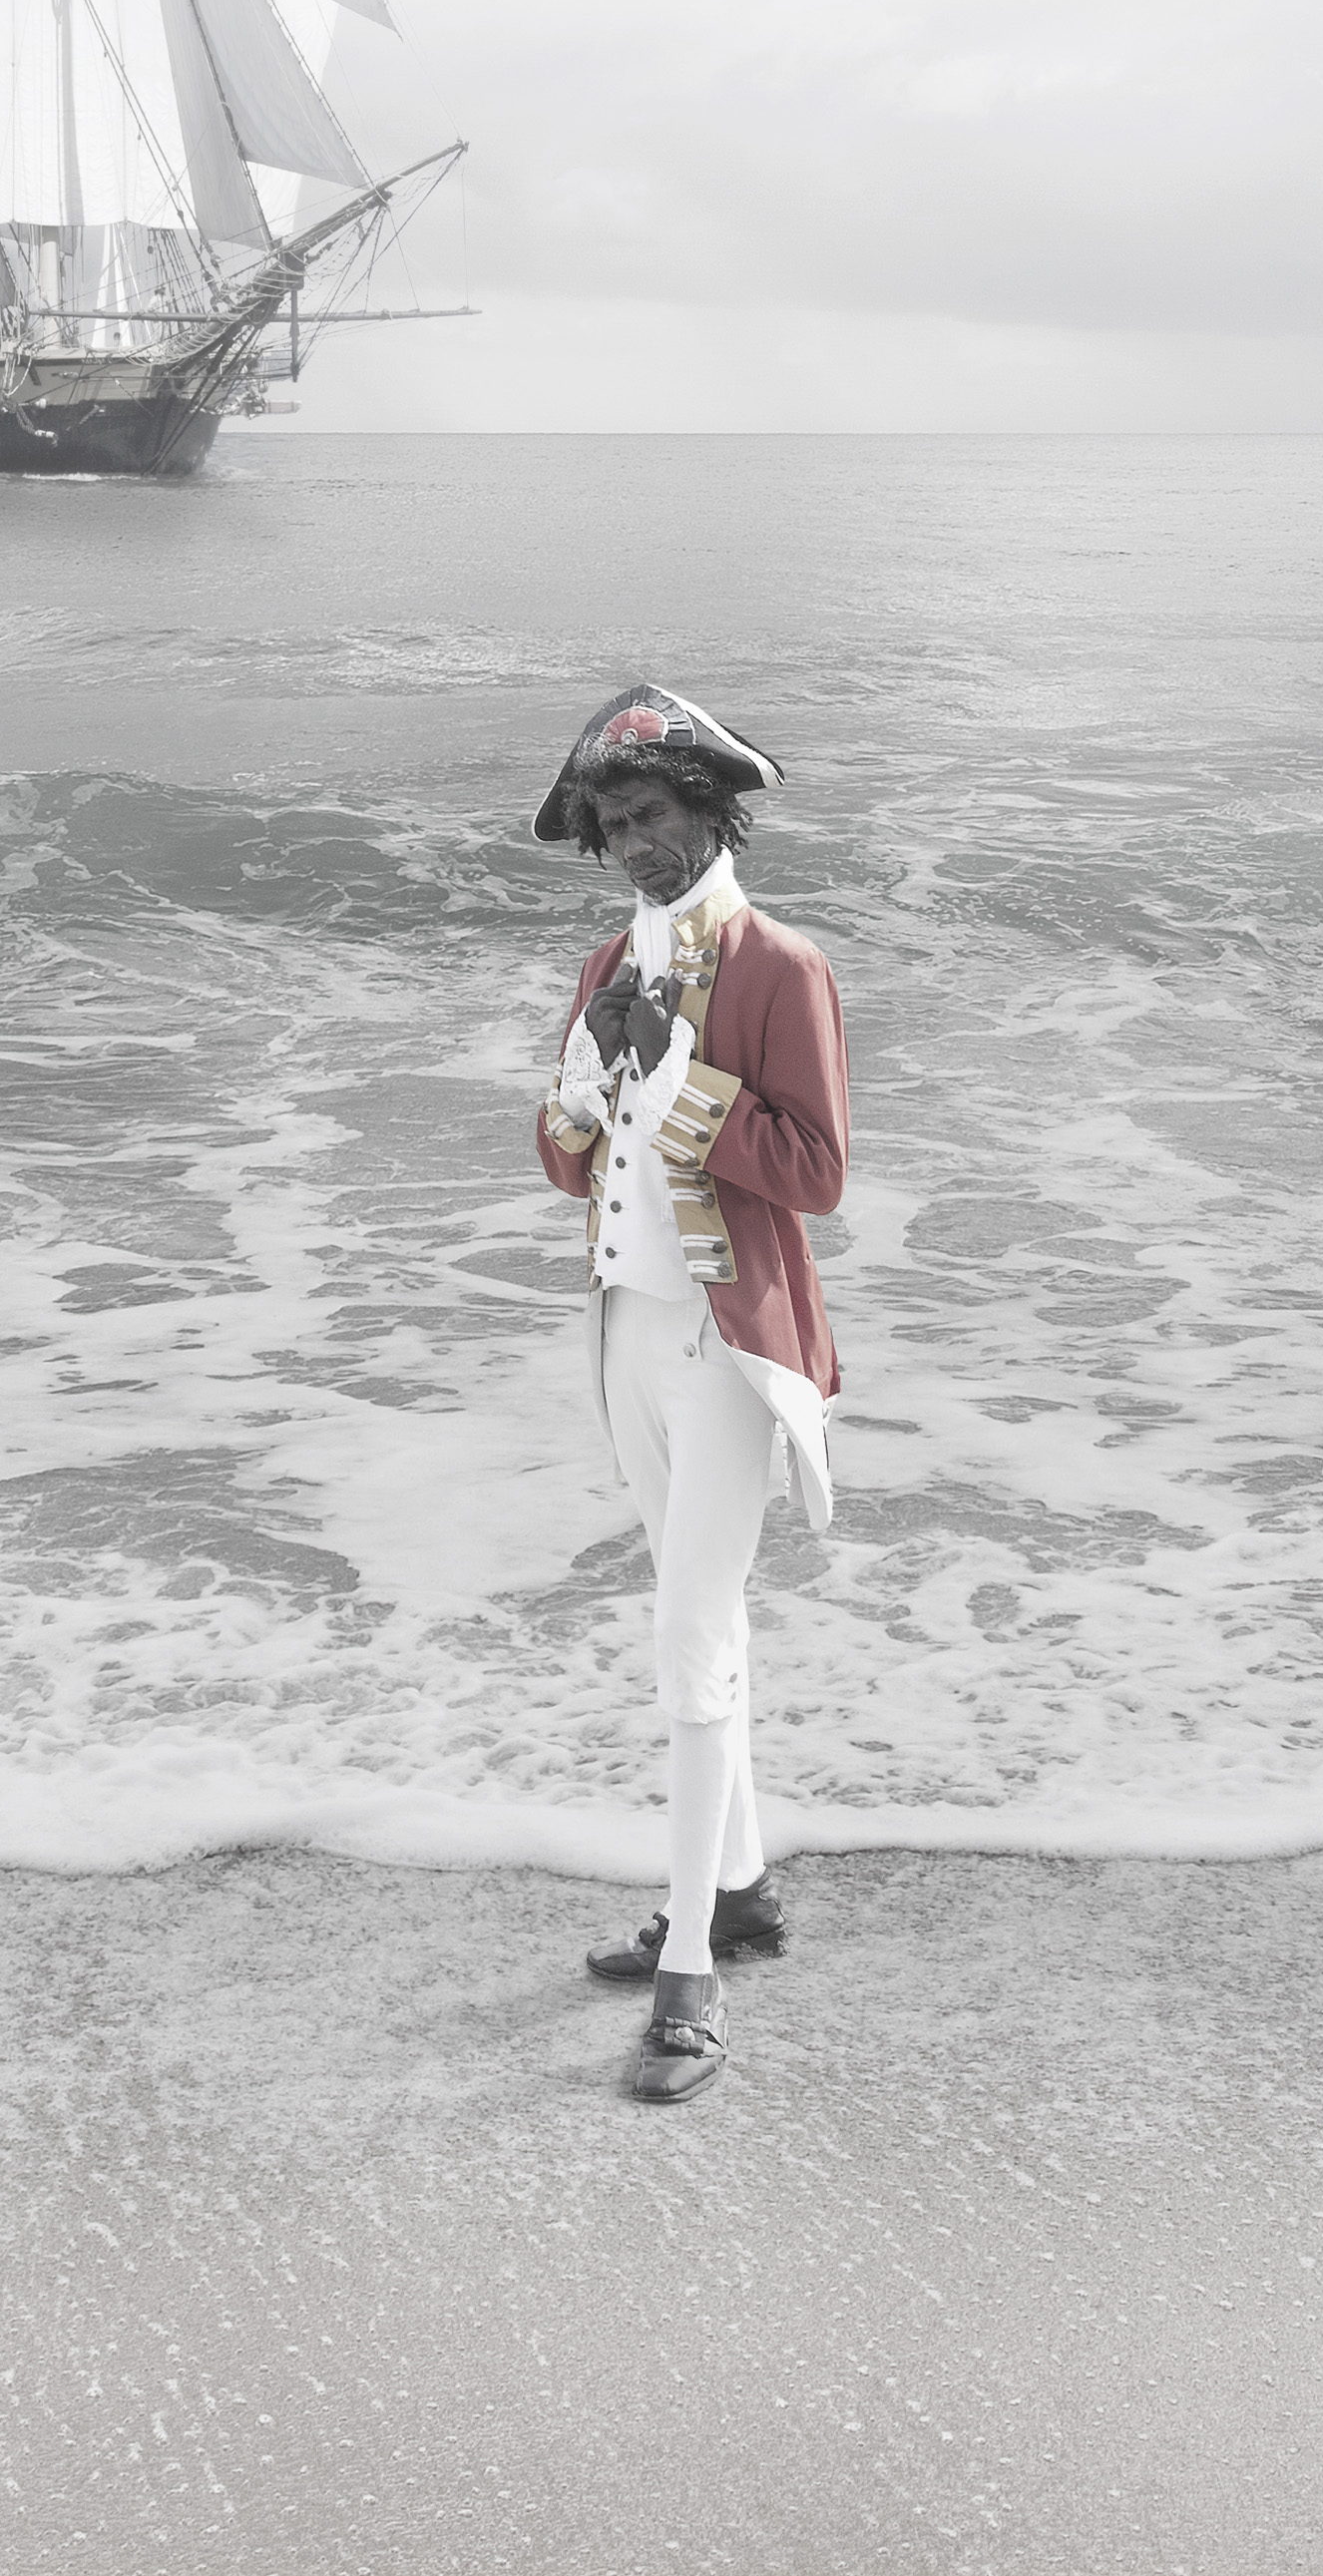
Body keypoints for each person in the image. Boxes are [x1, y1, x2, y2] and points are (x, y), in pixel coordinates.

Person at [533, 683, 850, 2104]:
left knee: (689, 1636)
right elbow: (560, 1161)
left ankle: (694, 1973)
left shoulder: (782, 966)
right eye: (611, 827)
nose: (632, 845)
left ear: (714, 811)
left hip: (728, 1351)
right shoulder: (610, 954)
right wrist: (600, 1069)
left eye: (651, 815)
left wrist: (683, 1084)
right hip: (624, 1339)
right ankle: (741, 1886)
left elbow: (819, 1172)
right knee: (698, 1617)